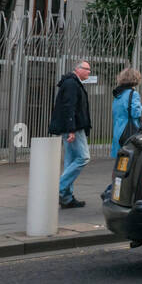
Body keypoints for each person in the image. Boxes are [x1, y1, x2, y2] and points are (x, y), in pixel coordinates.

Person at [49, 59, 93, 209]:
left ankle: (66, 198)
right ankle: (59, 188)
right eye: (87, 69)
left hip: (73, 127)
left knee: (70, 160)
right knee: (83, 157)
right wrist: (71, 129)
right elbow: (69, 107)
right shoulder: (72, 84)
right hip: (74, 128)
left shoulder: (72, 83)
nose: (89, 72)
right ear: (78, 69)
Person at [111, 67, 142, 158]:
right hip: (130, 131)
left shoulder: (118, 95)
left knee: (122, 159)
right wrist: (141, 107)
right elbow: (136, 113)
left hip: (118, 131)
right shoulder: (133, 94)